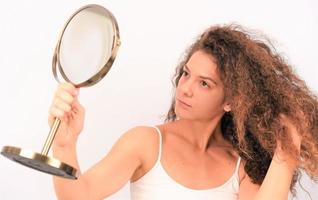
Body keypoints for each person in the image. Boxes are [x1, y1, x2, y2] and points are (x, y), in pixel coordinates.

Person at [49, 24, 318, 200]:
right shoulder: (145, 143)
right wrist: (64, 144)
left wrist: (288, 148)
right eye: (186, 74)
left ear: (231, 101)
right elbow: (78, 196)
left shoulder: (240, 167)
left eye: (204, 83)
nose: (185, 88)